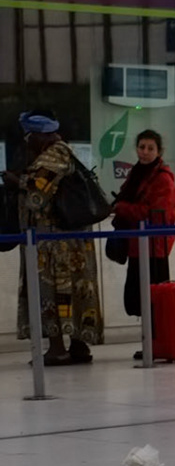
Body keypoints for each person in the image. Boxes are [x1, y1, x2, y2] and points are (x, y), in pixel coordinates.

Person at [5, 113, 102, 365]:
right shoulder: (64, 152)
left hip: (54, 243)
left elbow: (38, 193)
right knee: (73, 289)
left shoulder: (54, 154)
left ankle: (57, 349)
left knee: (52, 291)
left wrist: (16, 181)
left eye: (29, 137)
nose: (27, 143)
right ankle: (79, 347)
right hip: (70, 241)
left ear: (39, 135)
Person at [111, 129, 175, 344]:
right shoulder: (136, 173)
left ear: (159, 151)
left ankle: (156, 343)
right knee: (139, 298)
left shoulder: (163, 179)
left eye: (150, 148)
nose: (145, 152)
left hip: (153, 247)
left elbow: (153, 212)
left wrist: (121, 208)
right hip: (137, 245)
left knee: (153, 299)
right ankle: (150, 342)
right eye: (141, 147)